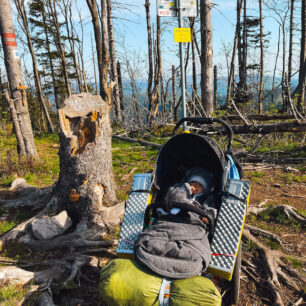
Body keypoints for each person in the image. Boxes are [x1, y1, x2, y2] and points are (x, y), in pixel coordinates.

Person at [134, 167, 217, 279]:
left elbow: (210, 210)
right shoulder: (178, 188)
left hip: (192, 225)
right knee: (153, 240)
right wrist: (185, 188)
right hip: (170, 220)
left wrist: (207, 217)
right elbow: (172, 197)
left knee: (193, 245)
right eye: (193, 182)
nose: (195, 186)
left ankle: (184, 256)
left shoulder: (206, 198)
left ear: (205, 189)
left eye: (200, 185)